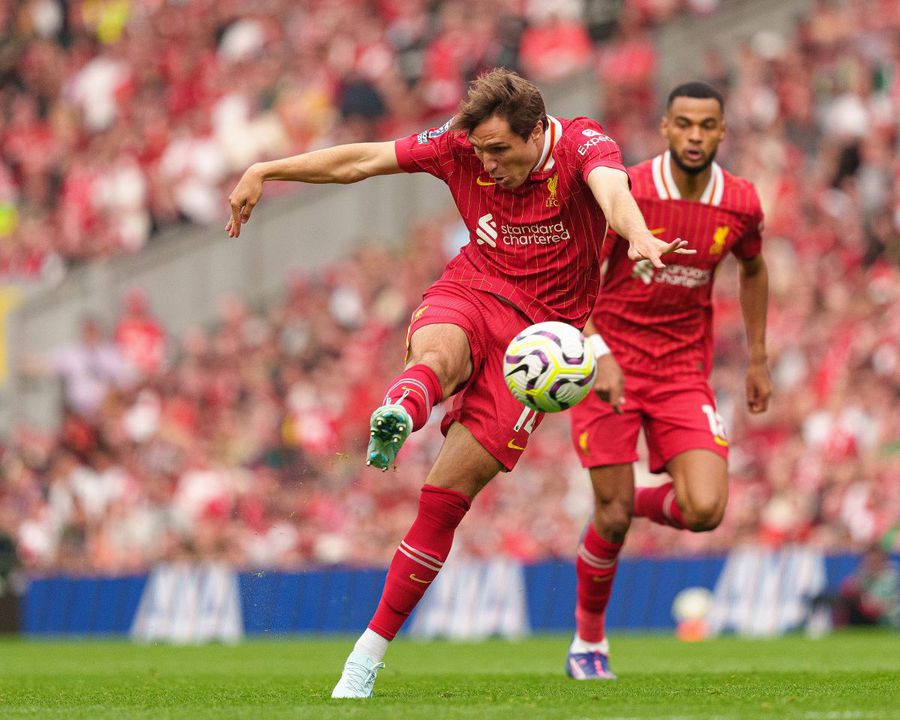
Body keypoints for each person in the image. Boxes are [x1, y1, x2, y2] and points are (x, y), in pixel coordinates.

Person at [226, 68, 690, 699]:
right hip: (474, 288)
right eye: (481, 151)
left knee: (444, 497)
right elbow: (362, 160)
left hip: (538, 345)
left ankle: (367, 653)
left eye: (500, 151)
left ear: (536, 134)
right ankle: (405, 404)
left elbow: (611, 190)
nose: (487, 164)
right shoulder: (458, 145)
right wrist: (267, 168)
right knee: (439, 353)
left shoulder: (583, 145)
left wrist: (636, 235)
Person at [566, 81, 771, 680]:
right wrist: (596, 348)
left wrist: (758, 355)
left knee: (705, 508)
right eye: (684, 124)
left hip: (683, 371)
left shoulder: (740, 201)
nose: (695, 136)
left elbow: (753, 268)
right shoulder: (626, 190)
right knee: (608, 518)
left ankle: (630, 505)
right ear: (665, 127)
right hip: (611, 366)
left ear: (722, 132)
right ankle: (589, 640)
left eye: (707, 126)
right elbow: (578, 271)